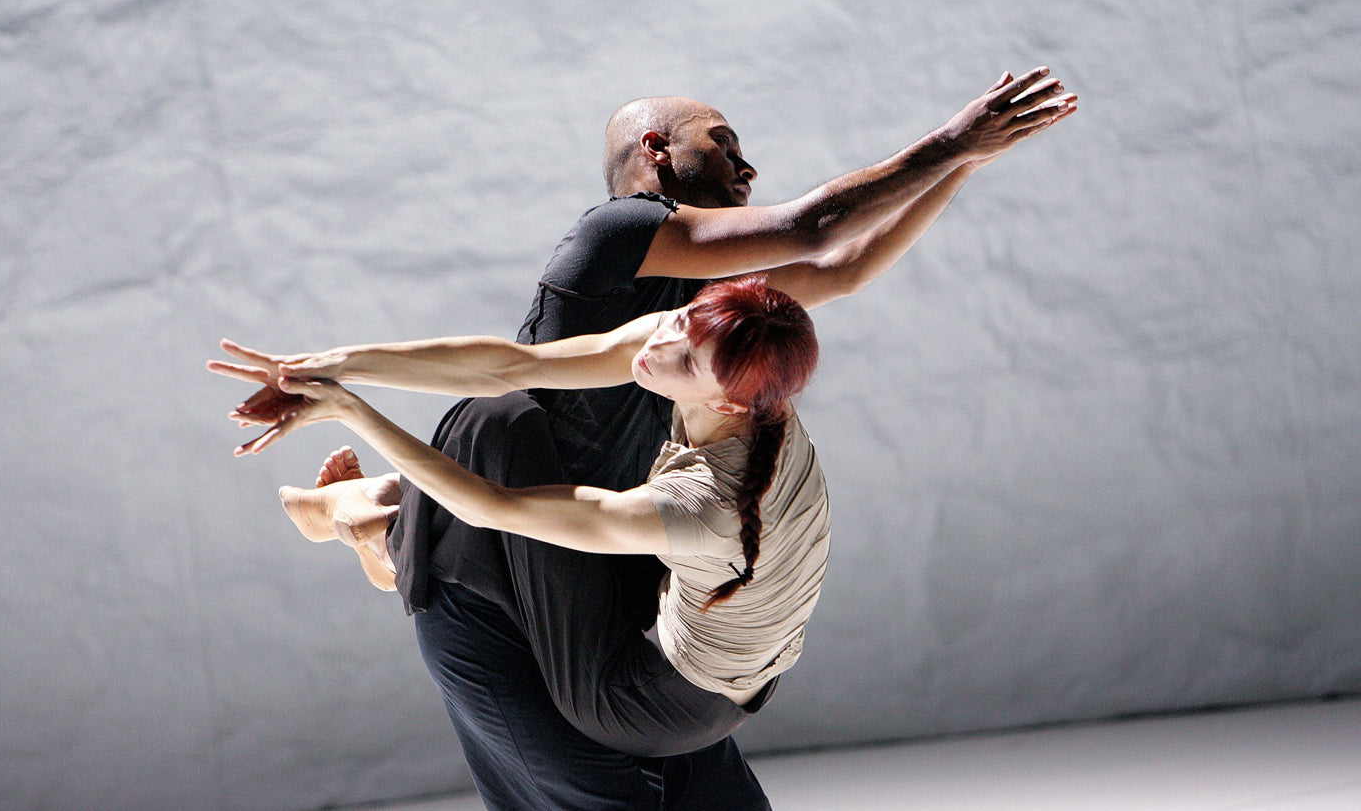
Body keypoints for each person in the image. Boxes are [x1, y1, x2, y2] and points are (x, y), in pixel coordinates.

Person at [212, 69, 1076, 810]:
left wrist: (966, 163)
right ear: (658, 153)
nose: (748, 166)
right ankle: (382, 527)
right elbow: (505, 368)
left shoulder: (705, 318)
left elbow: (841, 268)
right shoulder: (619, 233)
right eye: (723, 143)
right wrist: (949, 141)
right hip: (529, 524)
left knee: (530, 470)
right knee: (493, 424)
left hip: (613, 540)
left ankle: (375, 522)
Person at [214, 275, 825, 757]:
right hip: (699, 631)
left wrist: (348, 410)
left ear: (726, 401)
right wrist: (323, 365)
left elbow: (492, 506)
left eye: (687, 363)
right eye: (681, 321)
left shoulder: (708, 503)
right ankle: (385, 518)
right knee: (506, 419)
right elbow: (515, 364)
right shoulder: (744, 383)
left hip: (647, 706)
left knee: (502, 477)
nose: (659, 348)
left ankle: (380, 534)